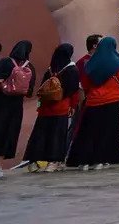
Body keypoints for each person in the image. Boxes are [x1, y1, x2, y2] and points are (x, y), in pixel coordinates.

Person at [67, 35, 119, 170]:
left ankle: (84, 162)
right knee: (106, 131)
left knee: (89, 132)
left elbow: (85, 84)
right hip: (112, 100)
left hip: (93, 101)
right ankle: (100, 160)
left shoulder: (90, 63)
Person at [23, 42, 78, 171]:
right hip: (61, 107)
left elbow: (42, 88)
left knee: (40, 135)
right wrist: (73, 106)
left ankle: (32, 162)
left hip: (45, 109)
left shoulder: (51, 69)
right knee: (57, 135)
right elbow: (73, 91)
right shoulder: (71, 69)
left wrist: (39, 106)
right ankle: (53, 162)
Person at [0, 41, 35, 177]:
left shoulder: (4, 62)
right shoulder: (29, 67)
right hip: (16, 107)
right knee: (8, 134)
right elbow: (29, 91)